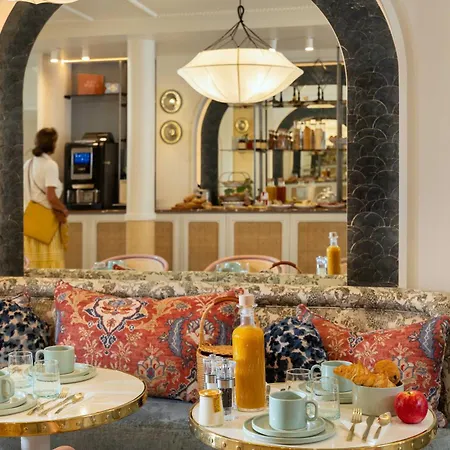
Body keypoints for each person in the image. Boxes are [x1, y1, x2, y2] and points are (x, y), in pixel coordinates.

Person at [24, 128, 69, 269]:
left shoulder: (28, 164)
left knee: (31, 266)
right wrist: (63, 209)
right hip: (46, 223)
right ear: (52, 143)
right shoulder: (50, 165)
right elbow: (51, 196)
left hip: (29, 222)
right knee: (50, 267)